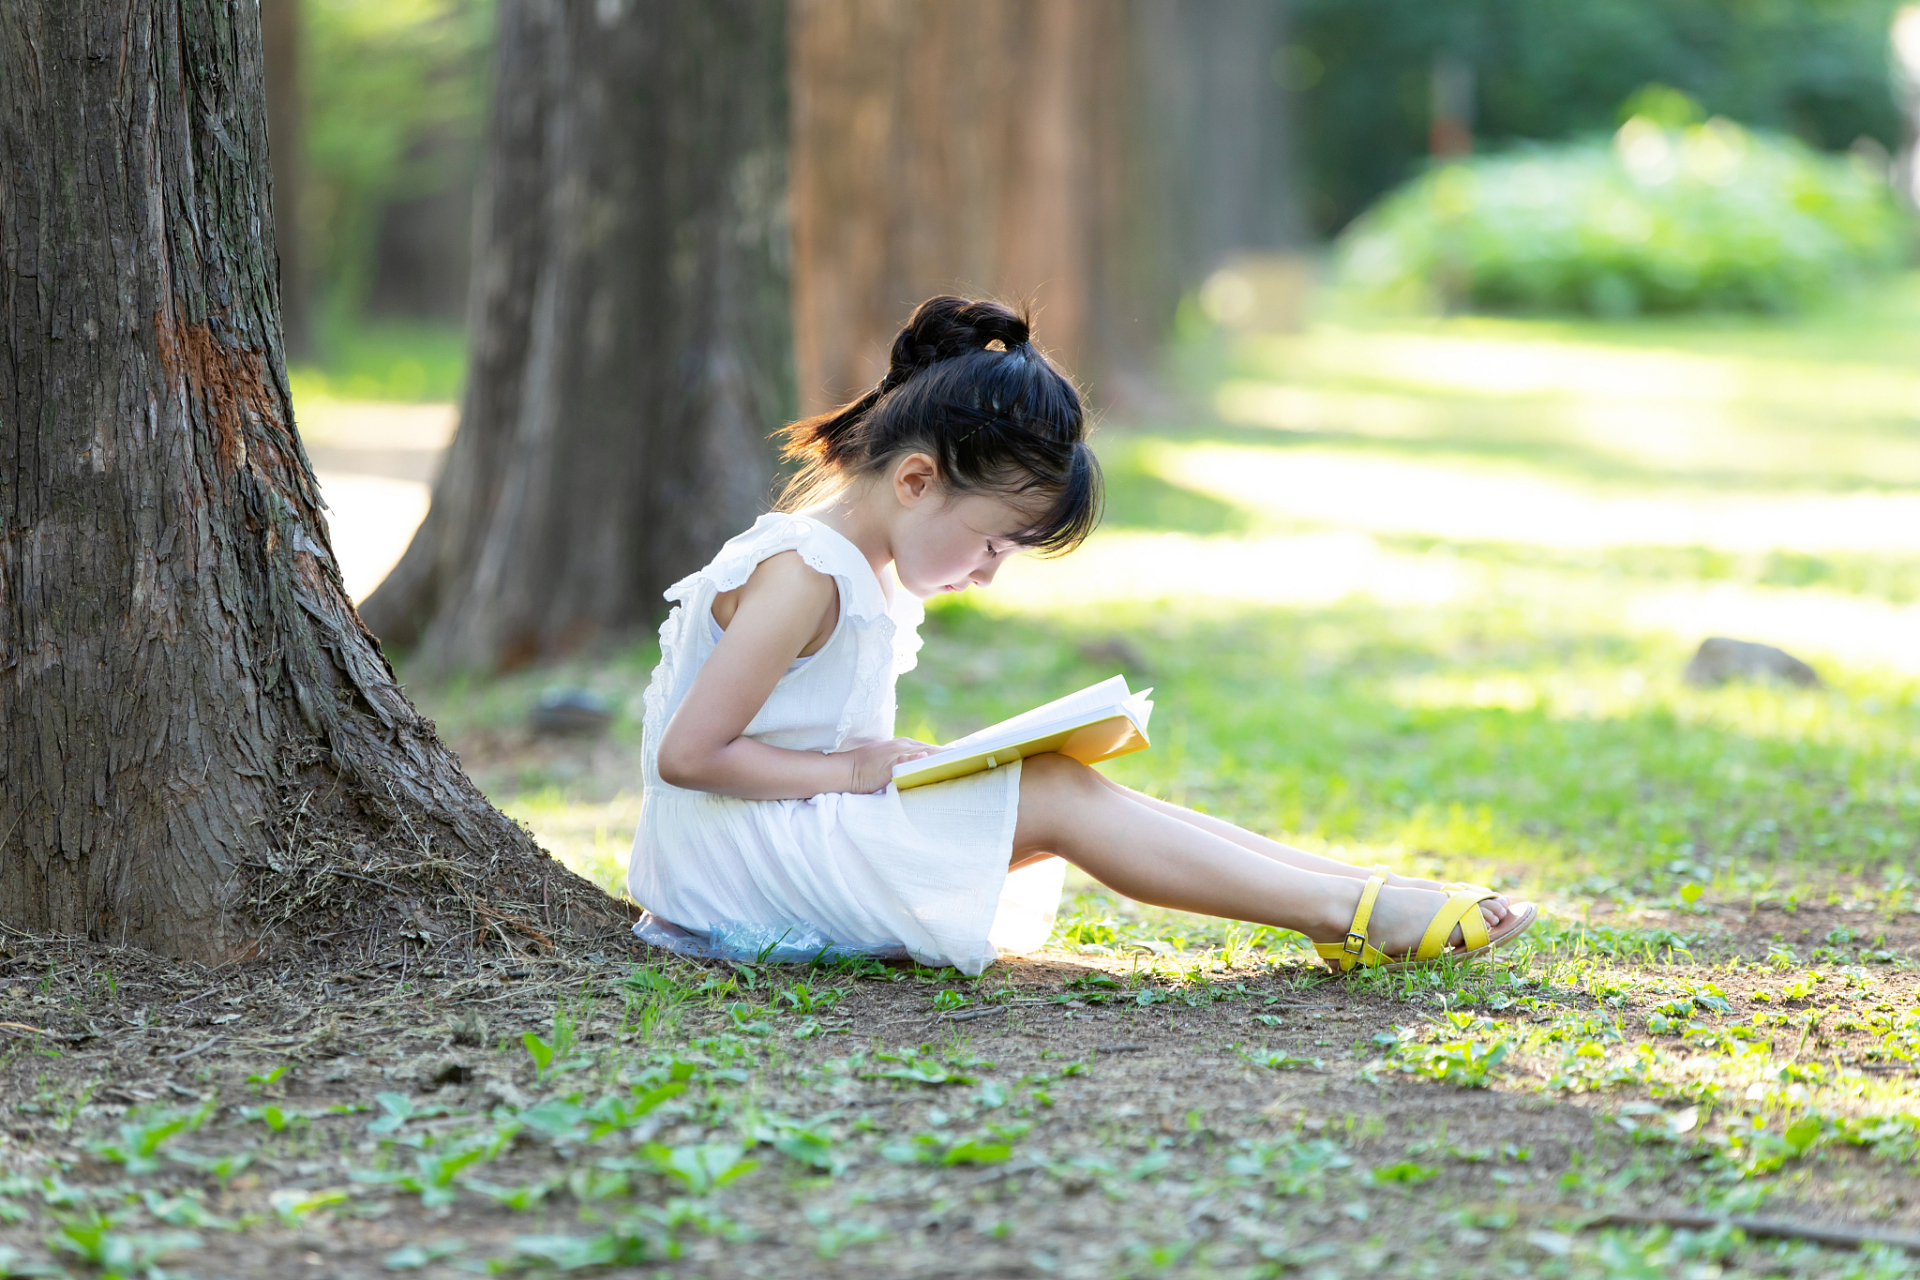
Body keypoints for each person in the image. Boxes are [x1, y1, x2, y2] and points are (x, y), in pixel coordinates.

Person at [629, 296, 1536, 975]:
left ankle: (1354, 894)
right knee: (1055, 799)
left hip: (788, 835)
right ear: (915, 480)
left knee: (1060, 781)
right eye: (991, 542)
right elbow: (693, 756)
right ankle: (1351, 910)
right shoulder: (801, 572)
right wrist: (860, 770)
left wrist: (901, 765)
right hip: (733, 880)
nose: (989, 572)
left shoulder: (857, 567)